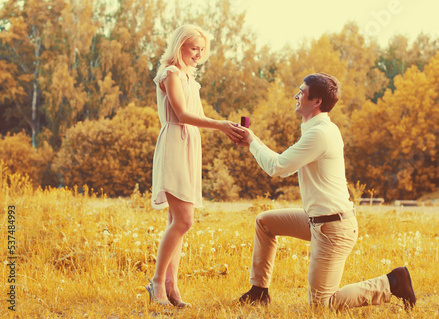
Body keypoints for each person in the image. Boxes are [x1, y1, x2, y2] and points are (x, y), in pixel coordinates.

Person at [236, 73, 416, 311]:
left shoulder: (320, 133)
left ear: (317, 101)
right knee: (265, 222)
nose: (296, 95)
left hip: (333, 228)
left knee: (322, 306)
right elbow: (286, 166)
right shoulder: (316, 129)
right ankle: (259, 291)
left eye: (301, 91)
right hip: (317, 220)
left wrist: (252, 141)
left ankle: (392, 282)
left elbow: (277, 167)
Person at [146, 24, 244, 308]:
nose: (199, 55)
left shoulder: (191, 79)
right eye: (194, 49)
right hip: (175, 142)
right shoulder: (171, 74)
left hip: (190, 144)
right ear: (180, 46)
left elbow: (199, 116)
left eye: (202, 50)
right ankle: (156, 282)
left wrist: (229, 129)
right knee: (184, 221)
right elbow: (182, 114)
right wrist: (221, 125)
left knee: (177, 222)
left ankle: (171, 286)